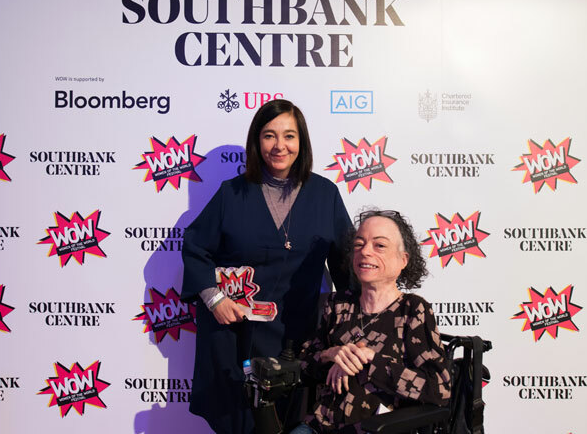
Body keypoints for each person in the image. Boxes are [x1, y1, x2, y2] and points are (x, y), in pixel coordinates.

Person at [181, 99, 352, 434]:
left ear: (301, 142)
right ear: (256, 142)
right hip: (236, 335)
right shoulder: (232, 193)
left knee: (293, 423)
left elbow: (347, 267)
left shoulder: (325, 194)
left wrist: (356, 326)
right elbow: (195, 247)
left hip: (299, 338)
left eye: (289, 136)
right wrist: (214, 299)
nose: (279, 146)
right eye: (269, 136)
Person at [293, 210, 451, 434]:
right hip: (321, 426)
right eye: (359, 244)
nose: (365, 252)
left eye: (380, 246)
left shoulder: (412, 310)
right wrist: (331, 354)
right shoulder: (338, 305)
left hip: (377, 429)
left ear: (403, 260)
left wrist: (371, 360)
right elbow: (301, 367)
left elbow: (439, 389)